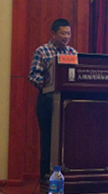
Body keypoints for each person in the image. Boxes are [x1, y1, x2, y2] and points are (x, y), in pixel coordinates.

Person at [28, 18, 77, 181]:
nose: (66, 37)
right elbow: (33, 75)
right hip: (47, 101)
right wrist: (49, 84)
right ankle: (45, 178)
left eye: (68, 33)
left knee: (67, 140)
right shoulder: (42, 51)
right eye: (63, 33)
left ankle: (67, 176)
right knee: (48, 140)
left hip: (68, 103)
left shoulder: (72, 53)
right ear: (53, 34)